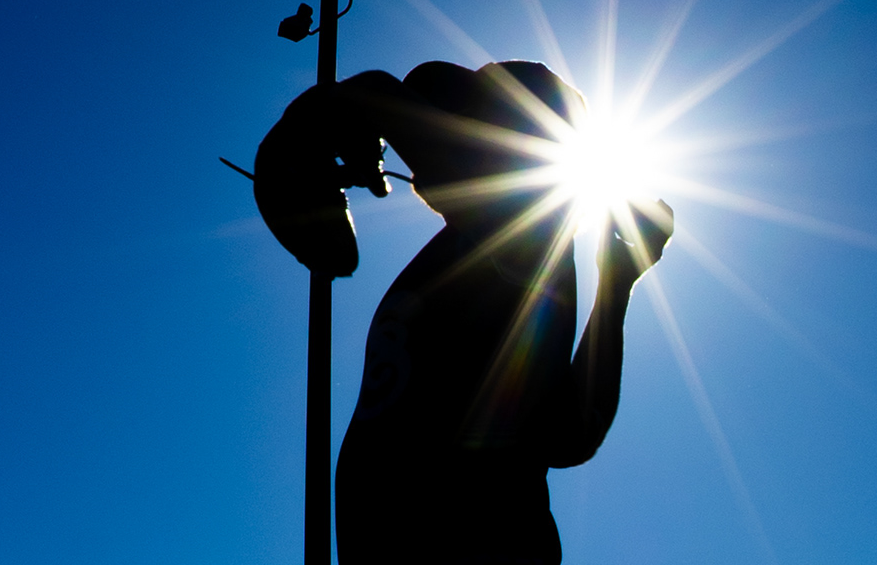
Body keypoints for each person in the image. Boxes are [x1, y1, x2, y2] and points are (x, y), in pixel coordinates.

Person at [254, 59, 673, 565]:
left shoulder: (527, 233)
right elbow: (566, 436)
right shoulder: (478, 261)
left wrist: (351, 110)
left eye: (468, 120)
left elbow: (395, 113)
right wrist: (618, 285)